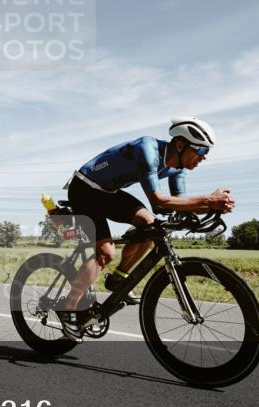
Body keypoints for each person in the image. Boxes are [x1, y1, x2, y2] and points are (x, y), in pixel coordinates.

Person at [56, 117, 235, 341]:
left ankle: (118, 280)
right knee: (105, 252)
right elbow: (159, 202)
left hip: (108, 192)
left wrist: (214, 206)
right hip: (84, 188)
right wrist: (208, 199)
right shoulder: (147, 150)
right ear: (180, 145)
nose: (204, 157)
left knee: (152, 226)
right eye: (200, 150)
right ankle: (68, 307)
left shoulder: (177, 168)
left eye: (206, 151)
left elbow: (178, 207)